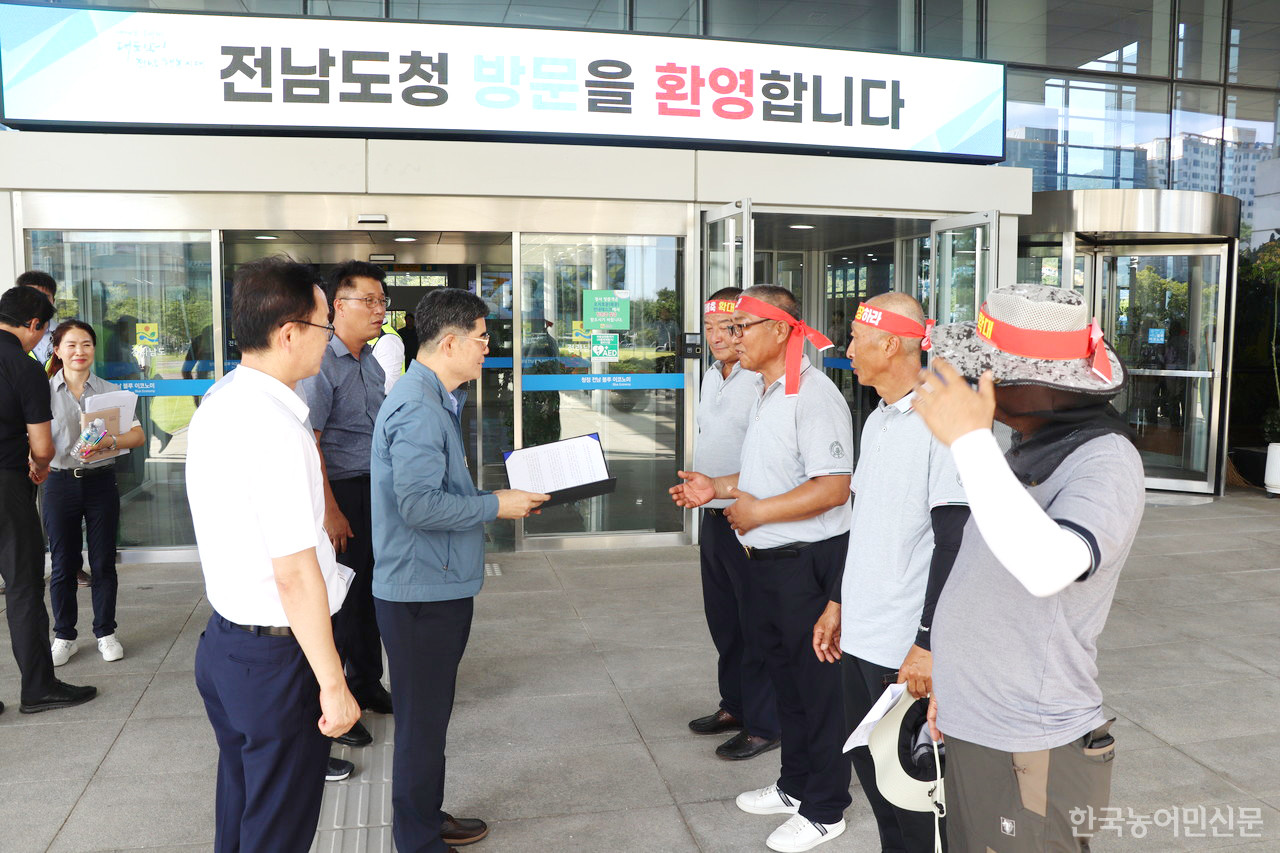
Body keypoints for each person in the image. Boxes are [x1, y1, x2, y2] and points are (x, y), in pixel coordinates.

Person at [910, 284, 1144, 853]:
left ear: (1046, 386)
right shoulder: (1023, 447)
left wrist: (968, 439)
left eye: (990, 371)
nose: (973, 382)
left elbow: (1049, 566)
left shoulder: (1105, 460)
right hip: (981, 721)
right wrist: (956, 683)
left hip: (1030, 742)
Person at [187, 256, 361, 853]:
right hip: (275, 659)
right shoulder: (275, 428)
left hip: (228, 646)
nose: (329, 337)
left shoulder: (222, 399)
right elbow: (293, 572)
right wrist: (333, 684)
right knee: (278, 828)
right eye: (323, 325)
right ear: (288, 333)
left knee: (242, 806)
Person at [671, 285, 853, 853]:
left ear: (781, 330)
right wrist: (717, 489)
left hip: (804, 564)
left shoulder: (814, 395)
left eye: (744, 326)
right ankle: (796, 785)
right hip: (767, 563)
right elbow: (766, 472)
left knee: (817, 690)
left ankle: (826, 808)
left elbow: (833, 486)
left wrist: (756, 511)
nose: (731, 336)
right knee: (787, 683)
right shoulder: (769, 391)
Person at [372, 287, 549, 853]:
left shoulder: (432, 397)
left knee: (429, 720)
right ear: (448, 342)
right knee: (422, 725)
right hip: (421, 590)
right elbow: (418, 505)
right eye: (480, 339)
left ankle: (423, 816)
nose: (486, 350)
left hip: (431, 579)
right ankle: (417, 840)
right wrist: (497, 504)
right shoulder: (420, 407)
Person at [809, 293, 968, 853]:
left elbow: (956, 543)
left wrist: (928, 644)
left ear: (891, 343)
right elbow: (865, 524)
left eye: (854, 338)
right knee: (878, 788)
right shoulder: (877, 417)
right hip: (862, 637)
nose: (845, 348)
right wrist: (837, 600)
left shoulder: (943, 422)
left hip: (904, 649)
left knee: (918, 805)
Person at [298, 261, 396, 751]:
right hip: (341, 493)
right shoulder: (323, 365)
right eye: (370, 301)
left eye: (382, 302)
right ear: (339, 305)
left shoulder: (371, 360)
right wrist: (331, 511)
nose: (380, 310)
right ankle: (336, 703)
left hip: (372, 489)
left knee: (371, 593)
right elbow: (311, 443)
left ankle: (367, 682)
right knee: (342, 601)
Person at [686, 286, 781, 761]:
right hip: (712, 513)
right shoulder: (711, 376)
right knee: (723, 618)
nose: (719, 337)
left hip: (751, 514)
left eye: (729, 327)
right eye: (710, 328)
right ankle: (736, 705)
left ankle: (766, 722)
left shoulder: (761, 378)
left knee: (755, 620)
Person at [0, 286, 97, 714]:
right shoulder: (22, 368)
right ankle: (38, 687)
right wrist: (39, 468)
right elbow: (42, 446)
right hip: (6, 488)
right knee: (22, 588)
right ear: (36, 326)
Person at [44, 320, 145, 666]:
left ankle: (106, 632)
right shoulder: (42, 392)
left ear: (94, 350)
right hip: (58, 483)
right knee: (63, 564)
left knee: (103, 562)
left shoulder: (109, 392)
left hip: (101, 482)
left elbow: (138, 436)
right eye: (71, 345)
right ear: (57, 350)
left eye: (86, 344)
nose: (79, 352)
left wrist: (111, 441)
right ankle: (64, 636)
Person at [18, 270, 57, 367]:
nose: (39, 302)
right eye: (32, 296)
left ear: (53, 301)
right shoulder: (8, 334)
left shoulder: (65, 333)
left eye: (45, 297)